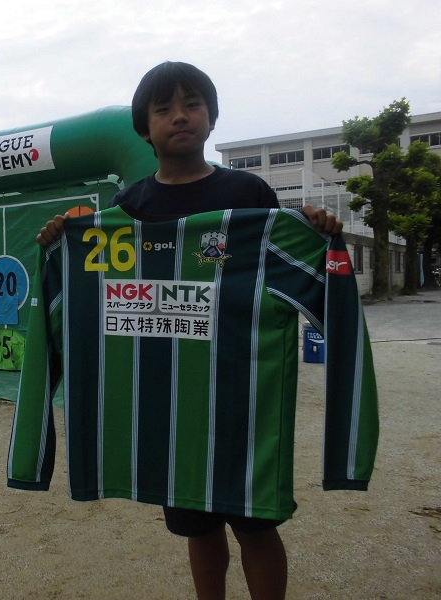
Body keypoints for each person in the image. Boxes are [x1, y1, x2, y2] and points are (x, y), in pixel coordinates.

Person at [35, 62, 343, 600]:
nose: (179, 116)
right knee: (197, 528)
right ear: (144, 128)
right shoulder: (128, 207)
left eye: (192, 104)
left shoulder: (249, 192)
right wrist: (62, 239)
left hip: (241, 396)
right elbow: (100, 287)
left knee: (255, 526)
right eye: (164, 109)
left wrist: (319, 233)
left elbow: (286, 266)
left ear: (211, 117)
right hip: (169, 406)